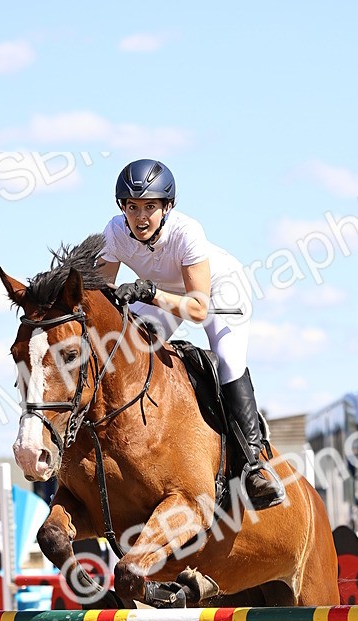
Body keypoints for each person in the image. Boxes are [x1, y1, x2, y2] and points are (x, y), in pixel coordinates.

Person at [96, 159, 285, 509]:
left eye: (150, 207)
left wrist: (147, 293)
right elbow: (102, 292)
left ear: (166, 207)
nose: (140, 218)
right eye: (132, 207)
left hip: (217, 290)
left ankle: (254, 465)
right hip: (158, 292)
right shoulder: (115, 232)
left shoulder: (187, 232)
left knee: (228, 362)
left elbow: (198, 310)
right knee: (128, 348)